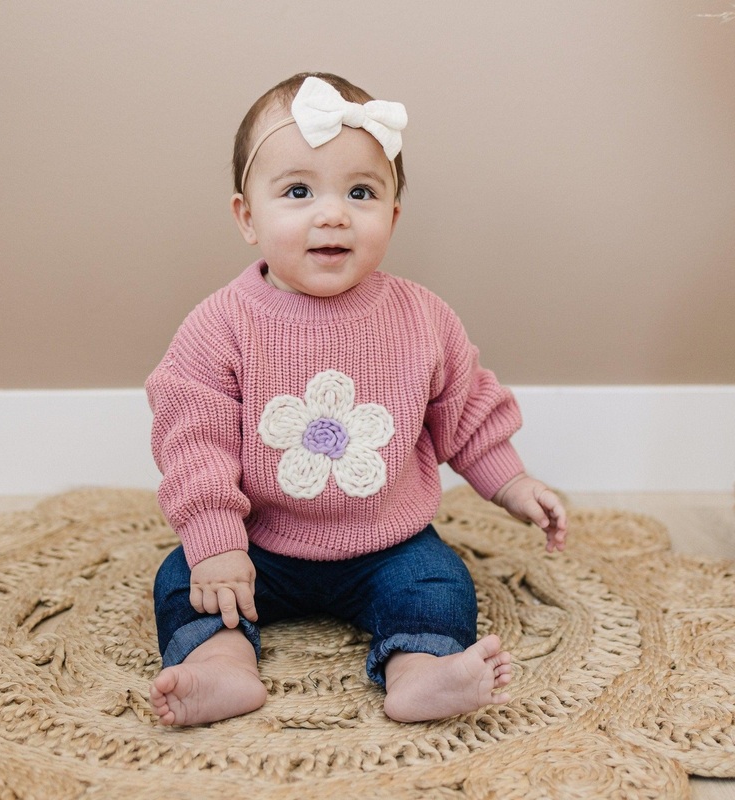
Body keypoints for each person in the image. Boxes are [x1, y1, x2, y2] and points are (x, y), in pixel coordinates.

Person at [146, 72, 568, 727]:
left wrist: (511, 481)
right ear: (247, 217)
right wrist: (216, 541)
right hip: (260, 540)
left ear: (392, 217)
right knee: (184, 579)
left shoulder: (423, 318)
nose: (333, 212)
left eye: (361, 192)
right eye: (297, 191)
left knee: (440, 584)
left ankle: (421, 673)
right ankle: (220, 665)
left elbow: (466, 411)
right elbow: (193, 440)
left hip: (389, 543)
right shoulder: (221, 325)